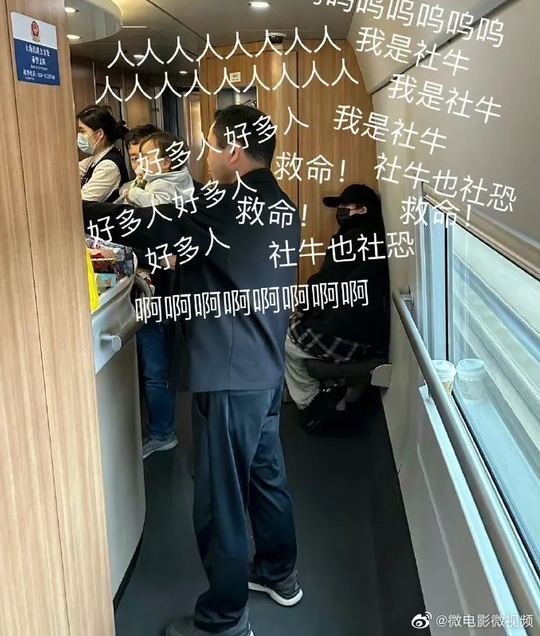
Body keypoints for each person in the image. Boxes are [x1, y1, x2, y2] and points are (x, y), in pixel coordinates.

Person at [82, 104, 302, 636]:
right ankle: (280, 574)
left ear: (233, 150)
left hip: (228, 374)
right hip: (263, 365)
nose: (202, 156)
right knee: (265, 476)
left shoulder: (227, 206)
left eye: (208, 145)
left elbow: (142, 225)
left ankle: (224, 619)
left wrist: (68, 204)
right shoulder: (280, 203)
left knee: (220, 498)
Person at [117, 131, 196, 459]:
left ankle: (163, 432)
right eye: (135, 158)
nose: (139, 165)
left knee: (157, 367)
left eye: (144, 157)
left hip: (164, 291)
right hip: (157, 289)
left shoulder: (170, 189)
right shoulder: (148, 187)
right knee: (158, 367)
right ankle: (163, 429)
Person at [284, 184, 390, 421]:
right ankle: (343, 393)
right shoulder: (374, 235)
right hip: (369, 334)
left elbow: (325, 285)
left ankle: (311, 402)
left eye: (345, 206)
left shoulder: (352, 238)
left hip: (347, 333)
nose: (339, 211)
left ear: (362, 209)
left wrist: (303, 307)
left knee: (285, 336)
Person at [78, 104, 130, 202]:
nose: (79, 136)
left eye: (82, 131)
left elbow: (83, 200)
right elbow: (72, 171)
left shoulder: (108, 166)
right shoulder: (96, 158)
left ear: (99, 134)